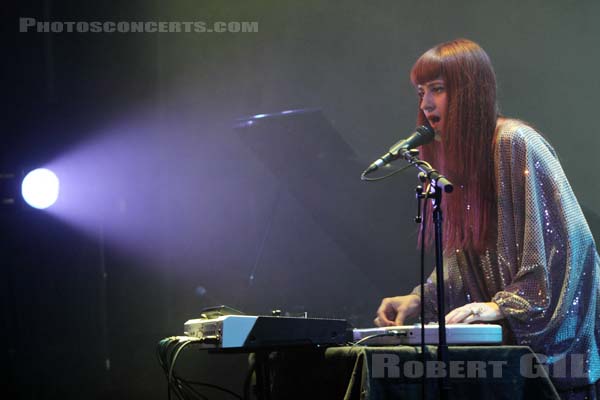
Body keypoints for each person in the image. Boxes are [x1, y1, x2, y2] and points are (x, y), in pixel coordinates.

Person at [374, 38, 600, 399]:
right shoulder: (456, 162)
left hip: (549, 374)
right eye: (421, 92)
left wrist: (500, 306)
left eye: (438, 89)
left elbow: (569, 250)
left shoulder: (516, 142)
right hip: (503, 367)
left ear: (469, 92)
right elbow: (463, 258)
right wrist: (420, 298)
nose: (426, 103)